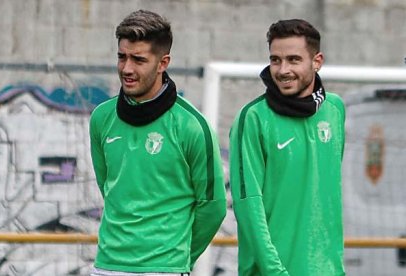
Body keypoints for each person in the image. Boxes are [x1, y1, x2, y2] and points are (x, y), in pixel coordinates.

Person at [89, 10, 226, 276]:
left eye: (138, 60)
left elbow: (213, 207)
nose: (127, 68)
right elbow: (108, 186)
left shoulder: (193, 126)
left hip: (165, 269)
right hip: (106, 265)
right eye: (122, 57)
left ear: (163, 63)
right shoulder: (101, 118)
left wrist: (176, 256)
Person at [229, 19, 345, 275]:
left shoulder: (335, 110)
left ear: (317, 61)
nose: (282, 70)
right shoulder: (252, 118)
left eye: (293, 59)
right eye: (275, 60)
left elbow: (326, 194)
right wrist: (274, 271)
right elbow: (248, 205)